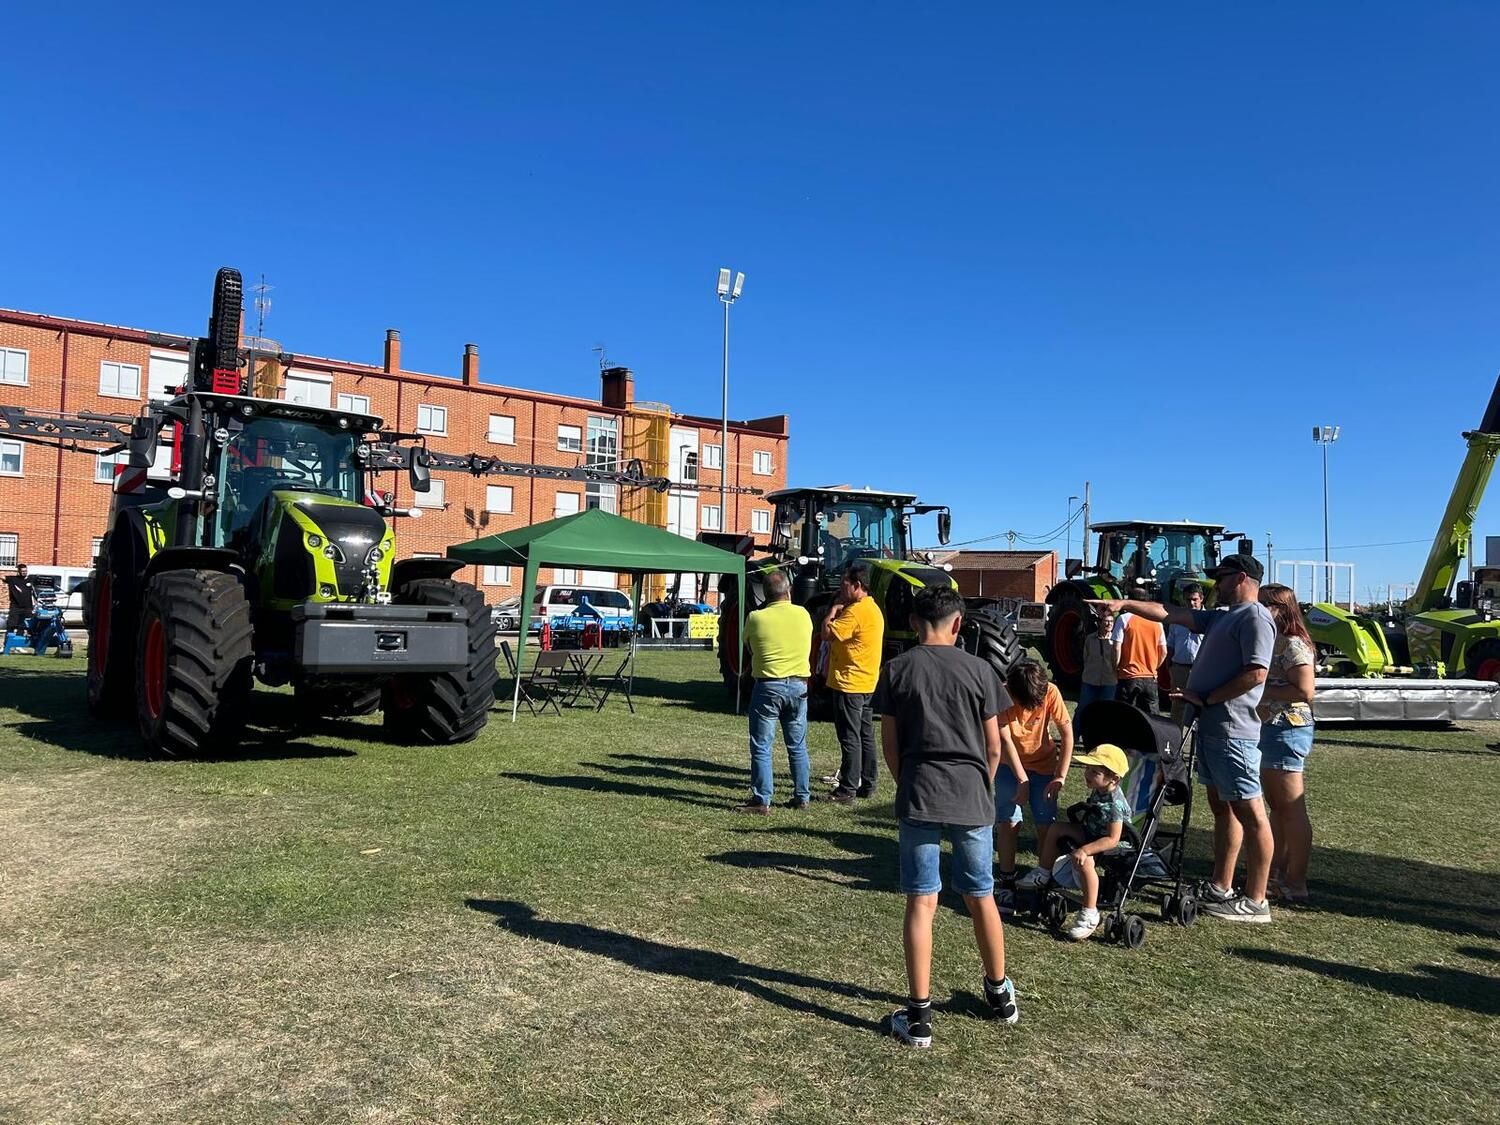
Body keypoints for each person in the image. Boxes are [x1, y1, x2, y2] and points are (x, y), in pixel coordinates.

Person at [1091, 551, 1276, 923]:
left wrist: (1206, 697)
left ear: (1240, 578)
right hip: (1211, 728)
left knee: (1250, 812)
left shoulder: (1256, 618)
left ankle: (1256, 901)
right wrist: (1125, 603)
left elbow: (1256, 673)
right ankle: (1221, 886)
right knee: (1224, 809)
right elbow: (1171, 613)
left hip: (1232, 730)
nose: (1215, 585)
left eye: (1221, 578)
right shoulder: (1224, 616)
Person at [875, 585, 1022, 1047]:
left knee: (922, 901)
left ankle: (919, 1018)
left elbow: (890, 745)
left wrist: (907, 782)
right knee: (981, 895)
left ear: (916, 623)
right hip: (970, 796)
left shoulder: (896, 670)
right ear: (958, 623)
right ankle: (999, 995)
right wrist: (981, 782)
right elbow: (994, 746)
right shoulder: (981, 671)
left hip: (919, 790)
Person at [1020, 742, 1133, 941]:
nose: (1087, 774)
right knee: (1056, 829)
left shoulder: (1116, 804)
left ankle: (1090, 912)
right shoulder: (1100, 790)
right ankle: (1043, 874)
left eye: (1094, 771)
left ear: (1113, 779)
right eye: (1087, 769)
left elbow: (1113, 839)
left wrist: (1085, 850)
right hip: (1092, 833)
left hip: (1110, 845)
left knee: (1085, 860)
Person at [992, 660, 1074, 913]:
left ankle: (1043, 878)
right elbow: (1004, 739)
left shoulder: (1051, 692)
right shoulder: (1002, 694)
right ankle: (1006, 880)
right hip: (1009, 766)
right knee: (1009, 823)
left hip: (1044, 766)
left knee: (1045, 827)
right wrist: (1021, 779)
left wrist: (1059, 776)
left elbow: (1067, 733)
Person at [1256, 583, 1317, 905]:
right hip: (1271, 728)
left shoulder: (1294, 644)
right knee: (1278, 808)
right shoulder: (1275, 641)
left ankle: (1296, 880)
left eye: (1263, 604)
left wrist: (1261, 692)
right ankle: (1275, 873)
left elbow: (1305, 691)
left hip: (1287, 728)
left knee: (1292, 810)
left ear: (1280, 608)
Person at [737, 568, 814, 814]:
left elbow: (748, 645)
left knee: (762, 745)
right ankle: (802, 796)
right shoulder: (803, 614)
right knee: (797, 745)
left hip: (768, 686)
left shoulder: (756, 618)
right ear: (789, 591)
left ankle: (762, 799)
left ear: (765, 594)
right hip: (799, 685)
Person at [822, 562, 886, 804]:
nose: (840, 589)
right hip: (868, 681)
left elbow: (827, 633)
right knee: (865, 734)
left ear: (857, 586)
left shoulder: (855, 612)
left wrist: (833, 610)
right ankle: (867, 783)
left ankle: (847, 788)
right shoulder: (872, 608)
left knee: (850, 736)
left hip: (850, 683)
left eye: (844, 584)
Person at [1112, 584, 1166, 713]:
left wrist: (1115, 668)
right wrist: (1153, 667)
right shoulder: (1157, 622)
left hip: (1128, 676)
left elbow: (1116, 648)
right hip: (1150, 678)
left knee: (1126, 716)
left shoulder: (1124, 619)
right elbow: (1164, 652)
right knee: (1152, 720)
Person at [1165, 583, 1205, 724]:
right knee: (1178, 705)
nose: (1191, 603)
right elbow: (1170, 644)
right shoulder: (1177, 620)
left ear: (1201, 599)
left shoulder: (1210, 619)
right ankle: (1176, 738)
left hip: (1201, 670)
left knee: (1201, 704)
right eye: (1188, 600)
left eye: (1194, 599)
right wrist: (1168, 665)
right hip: (1179, 668)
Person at [1076, 606, 1118, 733]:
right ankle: (1075, 734)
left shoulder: (1116, 641)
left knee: (1106, 711)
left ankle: (1102, 737)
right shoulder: (1090, 639)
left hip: (1109, 681)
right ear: (1099, 622)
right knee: (1083, 708)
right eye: (1106, 621)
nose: (1109, 624)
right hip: (1090, 680)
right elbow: (1086, 657)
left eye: (1111, 621)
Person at [5, 563, 37, 635]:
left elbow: (35, 592)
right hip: (15, 607)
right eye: (22, 571)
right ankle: (7, 644)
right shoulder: (12, 579)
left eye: (25, 571)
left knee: (23, 626)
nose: (24, 572)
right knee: (11, 625)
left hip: (27, 608)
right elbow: (2, 576)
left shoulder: (30, 580)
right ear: (19, 571)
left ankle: (18, 643)